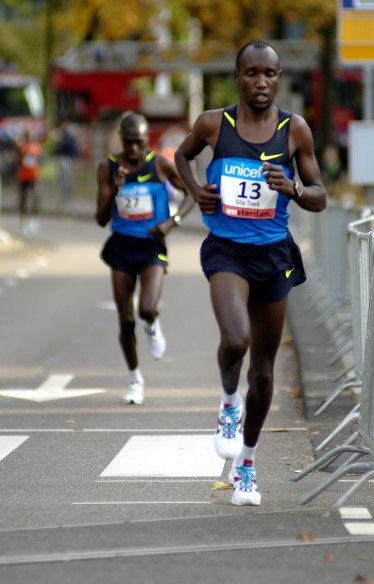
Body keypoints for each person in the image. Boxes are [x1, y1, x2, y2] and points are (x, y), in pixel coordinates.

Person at [174, 39, 327, 506]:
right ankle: (226, 402)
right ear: (238, 77)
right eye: (253, 73)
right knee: (235, 340)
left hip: (274, 256)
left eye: (271, 74)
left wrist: (296, 188)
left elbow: (321, 195)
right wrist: (197, 189)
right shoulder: (213, 125)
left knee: (263, 371)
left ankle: (247, 464)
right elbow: (181, 156)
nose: (262, 82)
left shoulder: (294, 130)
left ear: (278, 79)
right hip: (227, 251)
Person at [95, 111, 194, 405]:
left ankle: (152, 325)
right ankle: (135, 379)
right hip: (122, 247)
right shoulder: (108, 167)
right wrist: (114, 188)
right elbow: (100, 219)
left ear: (147, 140)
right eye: (128, 144)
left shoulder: (160, 164)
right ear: (121, 141)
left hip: (152, 244)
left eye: (139, 143)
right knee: (125, 320)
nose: (134, 150)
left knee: (146, 308)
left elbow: (192, 194)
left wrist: (171, 221)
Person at [16, 128, 42, 236]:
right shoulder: (21, 147)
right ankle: (23, 223)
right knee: (23, 200)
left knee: (36, 198)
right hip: (23, 178)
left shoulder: (36, 147)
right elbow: (18, 160)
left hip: (34, 177)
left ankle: (34, 220)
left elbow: (39, 160)